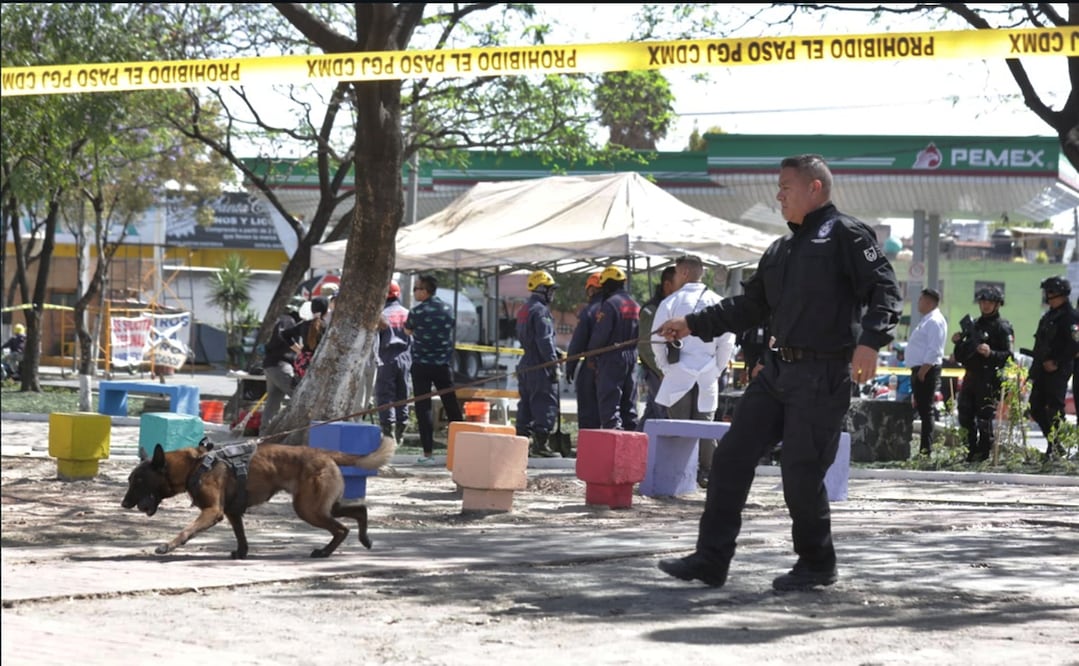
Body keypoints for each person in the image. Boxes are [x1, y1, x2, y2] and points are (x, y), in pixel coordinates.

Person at [654, 154, 901, 592]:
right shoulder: (781, 249)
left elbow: (884, 286)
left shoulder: (846, 233)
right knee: (731, 457)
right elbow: (749, 307)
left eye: (786, 186)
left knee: (801, 470)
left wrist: (870, 340)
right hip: (777, 371)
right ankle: (711, 559)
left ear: (814, 188)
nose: (779, 195)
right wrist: (692, 323)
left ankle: (817, 563)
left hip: (823, 372)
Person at [651, 255, 735, 489]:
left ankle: (679, 474)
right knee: (706, 427)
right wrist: (717, 368)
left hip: (678, 372)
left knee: (679, 426)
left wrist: (665, 367)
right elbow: (727, 341)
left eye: (677, 273)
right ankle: (707, 472)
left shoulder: (671, 302)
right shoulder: (717, 301)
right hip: (708, 371)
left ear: (684, 273)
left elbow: (657, 340)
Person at [405, 275, 464, 465]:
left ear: (425, 291)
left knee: (423, 409)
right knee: (452, 407)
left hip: (421, 365)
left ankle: (427, 453)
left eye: (416, 288)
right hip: (443, 365)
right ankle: (462, 449)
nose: (415, 292)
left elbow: (408, 330)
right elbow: (451, 327)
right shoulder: (448, 309)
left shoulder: (416, 312)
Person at [951, 286, 1013, 463]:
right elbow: (961, 355)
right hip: (971, 376)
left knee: (984, 418)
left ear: (997, 304)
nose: (985, 305)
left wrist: (990, 353)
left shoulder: (1002, 327)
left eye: (989, 302)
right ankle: (970, 450)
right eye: (983, 302)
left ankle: (984, 452)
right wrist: (958, 343)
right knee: (964, 415)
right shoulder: (974, 325)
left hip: (989, 378)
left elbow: (1009, 356)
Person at [1027, 276, 1077, 460]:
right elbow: (1039, 344)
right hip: (1041, 369)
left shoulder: (1071, 317)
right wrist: (1033, 371)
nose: (1048, 296)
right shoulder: (1048, 316)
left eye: (1051, 292)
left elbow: (1074, 344)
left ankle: (1054, 447)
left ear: (1061, 293)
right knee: (1035, 407)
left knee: (1055, 409)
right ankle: (1054, 443)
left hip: (1059, 369)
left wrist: (1057, 362)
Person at [586, 266, 641, 431]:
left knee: (610, 401)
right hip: (632, 357)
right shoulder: (635, 305)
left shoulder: (610, 305)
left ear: (607, 285)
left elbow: (601, 334)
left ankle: (613, 433)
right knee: (629, 402)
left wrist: (591, 356)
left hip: (612, 358)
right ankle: (631, 434)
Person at [515, 270, 562, 457]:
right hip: (540, 365)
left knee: (526, 404)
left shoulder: (524, 309)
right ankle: (541, 445)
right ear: (542, 289)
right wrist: (553, 364)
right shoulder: (541, 311)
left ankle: (520, 445)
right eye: (551, 290)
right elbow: (544, 340)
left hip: (526, 363)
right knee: (545, 403)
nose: (553, 294)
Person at [904, 288, 948, 455]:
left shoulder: (935, 321)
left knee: (926, 410)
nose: (918, 303)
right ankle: (924, 448)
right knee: (922, 409)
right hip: (921, 370)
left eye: (921, 300)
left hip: (926, 370)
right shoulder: (927, 320)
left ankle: (926, 450)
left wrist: (923, 371)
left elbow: (934, 349)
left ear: (929, 302)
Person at [636, 266, 677, 430]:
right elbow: (646, 346)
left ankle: (637, 444)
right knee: (664, 416)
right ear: (667, 285)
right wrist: (662, 371)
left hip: (663, 371)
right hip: (657, 372)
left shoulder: (669, 306)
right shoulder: (651, 310)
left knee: (652, 415)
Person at [259, 298, 304, 436]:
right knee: (299, 396)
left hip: (271, 365)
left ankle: (265, 434)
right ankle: (296, 431)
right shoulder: (288, 320)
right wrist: (300, 350)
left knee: (273, 401)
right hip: (281, 365)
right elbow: (282, 336)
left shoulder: (282, 320)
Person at [567, 272, 605, 430]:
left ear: (591, 290)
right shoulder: (619, 307)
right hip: (617, 366)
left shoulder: (590, 311)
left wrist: (570, 366)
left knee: (588, 412)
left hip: (592, 366)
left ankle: (589, 443)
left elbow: (578, 342)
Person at [376, 280, 412, 444]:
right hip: (405, 356)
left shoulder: (381, 314)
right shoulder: (407, 313)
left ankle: (388, 432)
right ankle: (401, 430)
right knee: (402, 394)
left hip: (386, 357)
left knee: (385, 394)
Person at [289, 296, 329, 382]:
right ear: (326, 311)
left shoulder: (304, 324)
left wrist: (298, 350)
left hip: (302, 364)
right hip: (317, 364)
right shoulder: (327, 327)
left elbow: (285, 334)